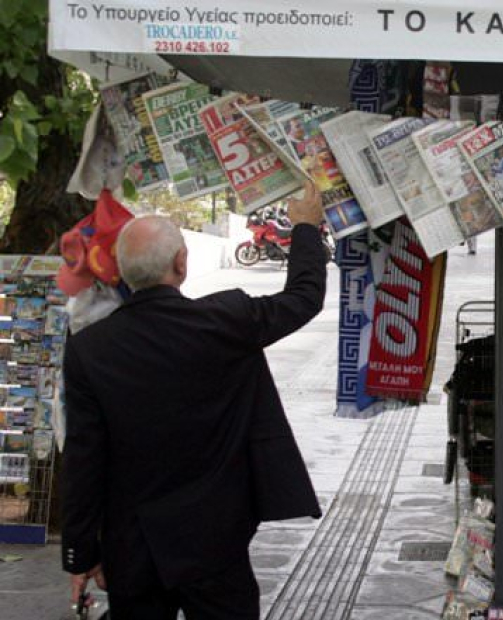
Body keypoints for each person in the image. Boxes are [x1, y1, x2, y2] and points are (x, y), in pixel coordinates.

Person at [61, 179, 326, 619]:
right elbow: (303, 298)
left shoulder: (90, 348)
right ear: (181, 263)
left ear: (123, 272)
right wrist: (305, 229)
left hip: (133, 545)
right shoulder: (226, 320)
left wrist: (80, 553)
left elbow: (84, 455)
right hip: (217, 538)